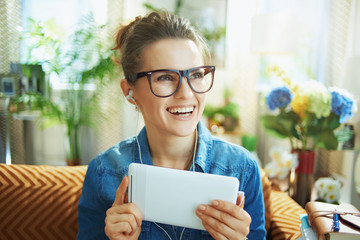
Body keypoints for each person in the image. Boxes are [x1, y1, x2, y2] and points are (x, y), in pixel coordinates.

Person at [77, 10, 266, 240]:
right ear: (129, 91)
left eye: (196, 75)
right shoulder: (103, 172)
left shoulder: (243, 169)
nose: (186, 94)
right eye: (165, 77)